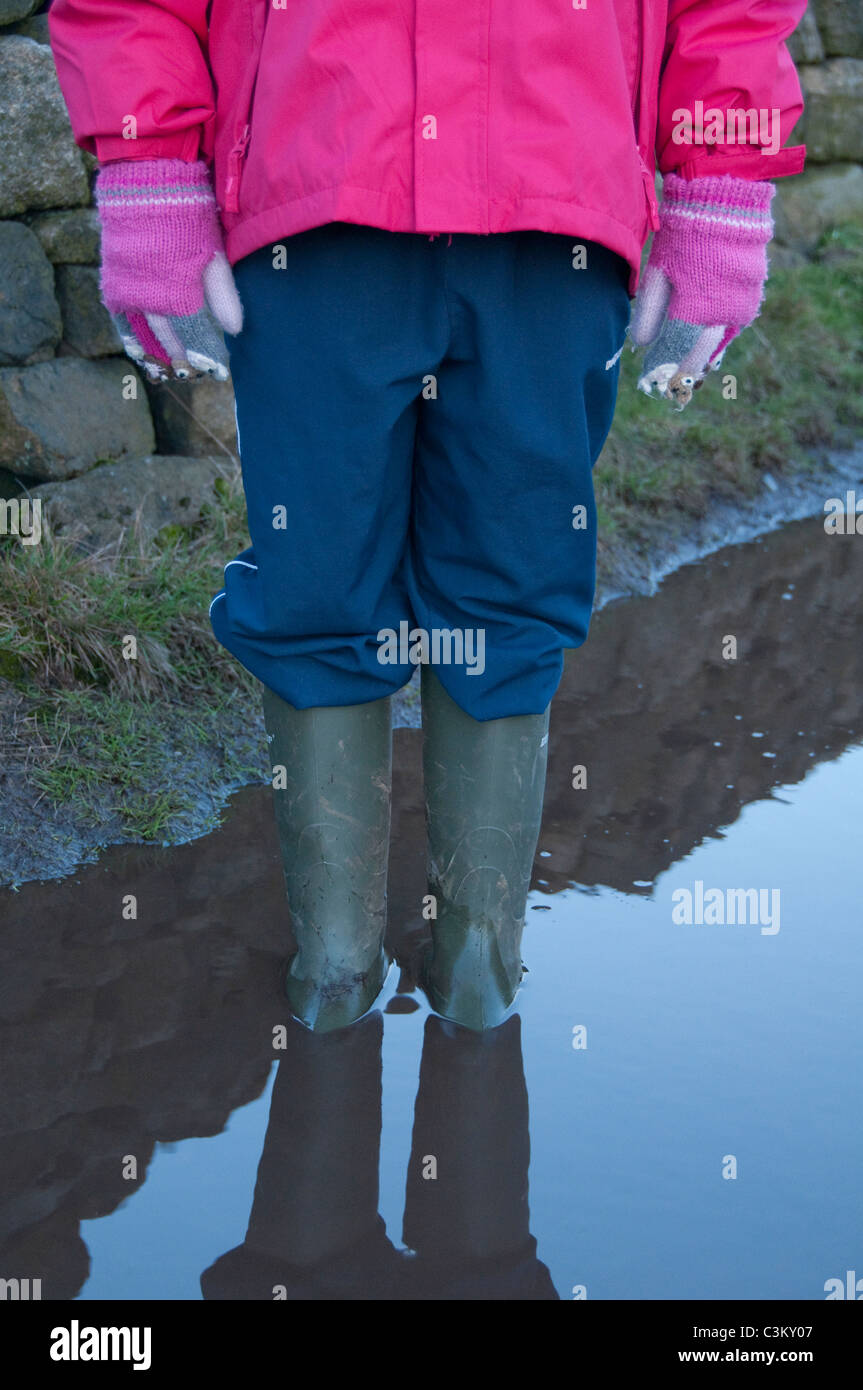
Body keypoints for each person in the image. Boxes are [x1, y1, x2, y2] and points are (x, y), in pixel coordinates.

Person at [49, 0, 806, 1033]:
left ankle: (477, 966)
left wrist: (718, 178)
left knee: (514, 582)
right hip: (314, 186)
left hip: (556, 199)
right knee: (315, 581)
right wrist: (146, 166)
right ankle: (334, 969)